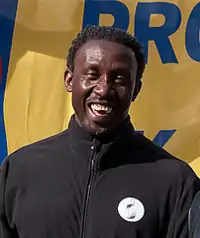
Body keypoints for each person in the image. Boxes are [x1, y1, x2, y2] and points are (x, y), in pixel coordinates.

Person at [0, 25, 199, 238]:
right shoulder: (20, 171)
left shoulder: (175, 182)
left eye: (119, 79)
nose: (103, 89)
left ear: (136, 90)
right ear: (69, 80)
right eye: (92, 75)